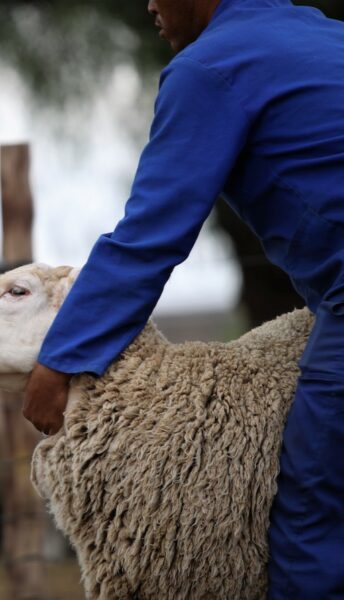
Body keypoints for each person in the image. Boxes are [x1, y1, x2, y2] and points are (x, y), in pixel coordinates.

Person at [22, 0, 344, 597]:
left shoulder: (212, 67)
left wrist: (62, 356)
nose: (149, 4)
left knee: (314, 506)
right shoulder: (323, 38)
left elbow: (151, 234)